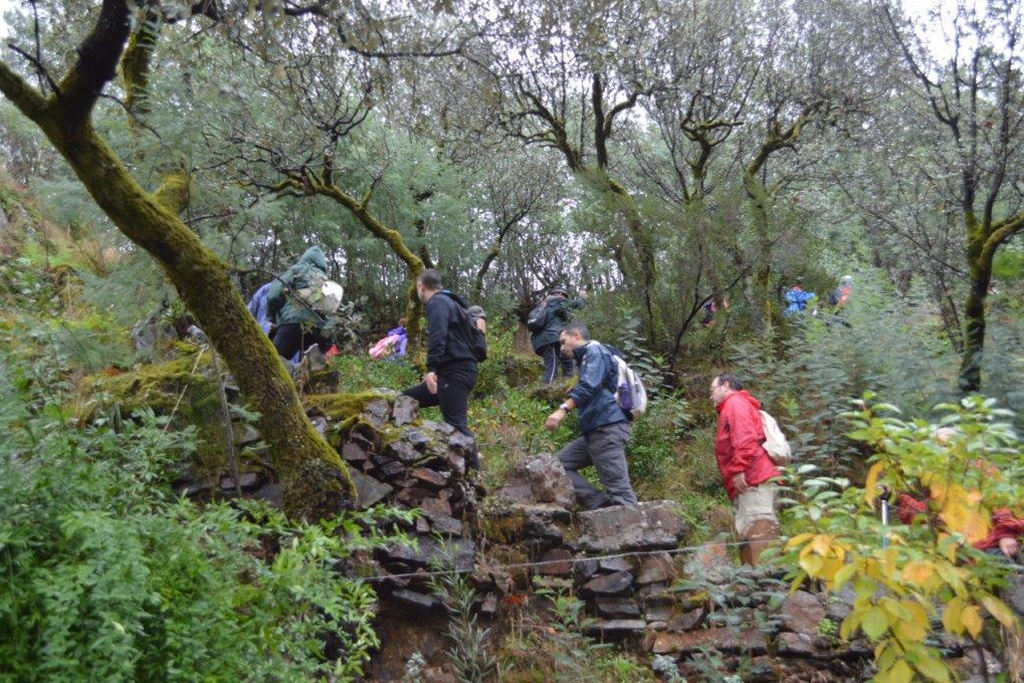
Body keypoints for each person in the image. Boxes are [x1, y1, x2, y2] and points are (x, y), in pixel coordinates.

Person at [544, 322, 637, 510]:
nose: (562, 348)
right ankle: (599, 504)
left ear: (577, 335)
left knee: (619, 491)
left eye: (563, 342)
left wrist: (563, 409)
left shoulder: (594, 351)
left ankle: (638, 534)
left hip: (607, 427)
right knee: (558, 466)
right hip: (595, 430)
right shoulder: (587, 358)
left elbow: (588, 387)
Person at [401, 269, 481, 470]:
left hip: (455, 373)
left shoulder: (437, 302)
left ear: (421, 286)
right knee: (404, 400)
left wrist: (431, 369)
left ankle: (475, 477)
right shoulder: (453, 303)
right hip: (455, 372)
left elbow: (438, 336)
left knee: (456, 424)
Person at [710, 373, 782, 566]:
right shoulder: (737, 404)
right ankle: (755, 585)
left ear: (725, 386)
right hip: (754, 478)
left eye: (712, 390)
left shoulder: (735, 404)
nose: (711, 396)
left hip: (753, 478)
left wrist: (738, 470)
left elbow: (745, 438)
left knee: (759, 531)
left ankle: (766, 586)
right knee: (752, 533)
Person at [265, 246, 333, 361]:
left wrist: (272, 317)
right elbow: (332, 314)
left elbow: (273, 296)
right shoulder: (327, 282)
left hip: (292, 324)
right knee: (310, 373)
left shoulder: (296, 270)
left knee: (274, 364)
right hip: (319, 331)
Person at [530, 286, 582, 384]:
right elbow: (577, 305)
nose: (562, 297)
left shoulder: (544, 305)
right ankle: (546, 391)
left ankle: (568, 388)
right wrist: (582, 298)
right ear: (555, 295)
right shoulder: (555, 302)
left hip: (546, 339)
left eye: (564, 295)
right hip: (550, 338)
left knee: (568, 361)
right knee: (552, 365)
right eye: (560, 294)